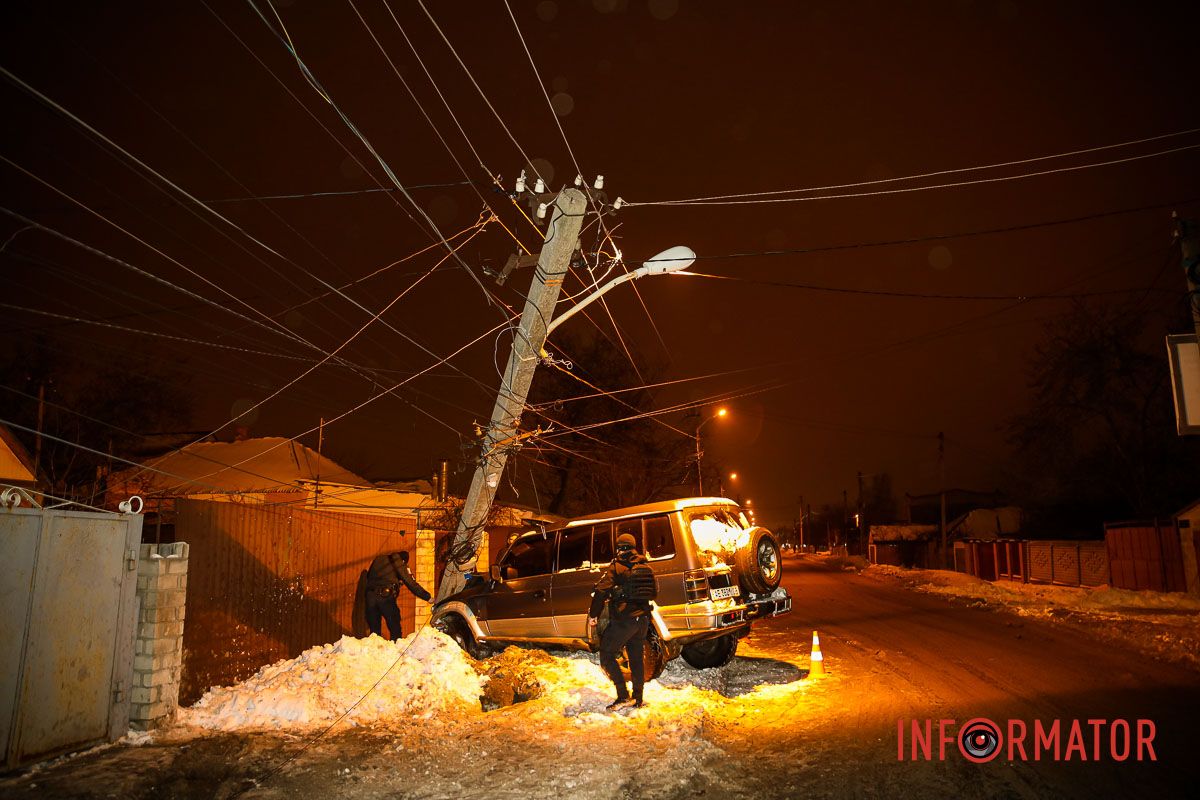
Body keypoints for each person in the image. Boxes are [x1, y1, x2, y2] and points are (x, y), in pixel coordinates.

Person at [587, 533, 654, 710]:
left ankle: (623, 696)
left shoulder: (617, 567)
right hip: (643, 620)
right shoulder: (643, 564)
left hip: (625, 620)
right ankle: (637, 698)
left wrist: (593, 615)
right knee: (636, 659)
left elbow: (601, 591)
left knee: (607, 654)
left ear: (619, 548)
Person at [364, 550, 431, 641]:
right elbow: (410, 582)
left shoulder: (379, 559)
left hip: (370, 597)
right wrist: (427, 597)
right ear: (403, 561)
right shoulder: (397, 561)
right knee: (395, 629)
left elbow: (370, 577)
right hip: (385, 598)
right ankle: (395, 651)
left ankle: (373, 652)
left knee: (374, 633)